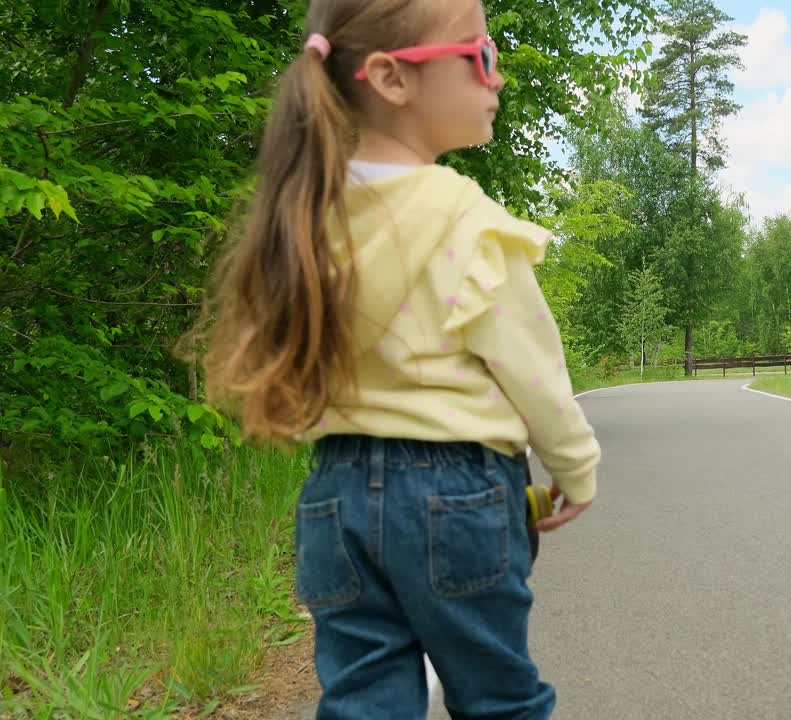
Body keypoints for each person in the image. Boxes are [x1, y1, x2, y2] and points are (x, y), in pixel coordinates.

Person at [188, 0, 600, 717]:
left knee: (363, 700)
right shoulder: (465, 219)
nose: (496, 78)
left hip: (334, 499)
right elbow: (533, 369)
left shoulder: (304, 215)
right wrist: (575, 467)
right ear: (390, 78)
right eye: (481, 55)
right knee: (499, 696)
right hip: (460, 496)